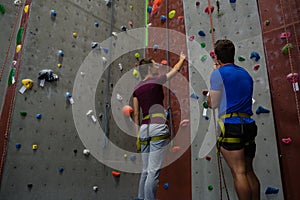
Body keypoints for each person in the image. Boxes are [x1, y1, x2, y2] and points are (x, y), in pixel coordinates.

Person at [207, 39, 260, 200]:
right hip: (248, 125)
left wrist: (214, 78)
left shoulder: (218, 74)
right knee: (249, 171)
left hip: (231, 126)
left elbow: (213, 103)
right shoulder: (245, 74)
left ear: (217, 57)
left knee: (239, 172)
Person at [133, 52, 186, 200]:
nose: (157, 66)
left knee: (145, 170)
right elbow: (175, 71)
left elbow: (136, 115)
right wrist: (182, 59)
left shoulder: (137, 88)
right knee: (153, 171)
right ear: (149, 69)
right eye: (154, 64)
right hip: (157, 126)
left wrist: (137, 136)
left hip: (143, 129)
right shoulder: (156, 80)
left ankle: (141, 198)